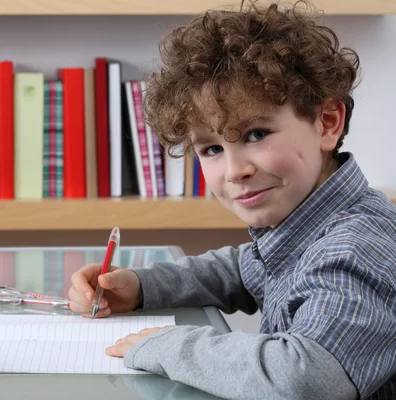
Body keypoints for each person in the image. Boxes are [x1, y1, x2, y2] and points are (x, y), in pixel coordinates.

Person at [68, 1, 396, 399]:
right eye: (211, 149)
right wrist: (142, 286)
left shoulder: (356, 247)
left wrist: (170, 344)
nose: (233, 170)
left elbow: (307, 377)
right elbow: (244, 269)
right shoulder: (307, 227)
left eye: (256, 134)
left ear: (327, 122)